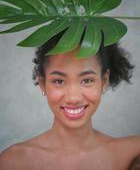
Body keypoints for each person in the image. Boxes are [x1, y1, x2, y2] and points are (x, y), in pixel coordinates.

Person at [0, 33, 140, 170]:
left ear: (104, 81)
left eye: (86, 80)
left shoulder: (133, 152)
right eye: (59, 81)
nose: (73, 98)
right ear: (42, 83)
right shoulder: (12, 162)